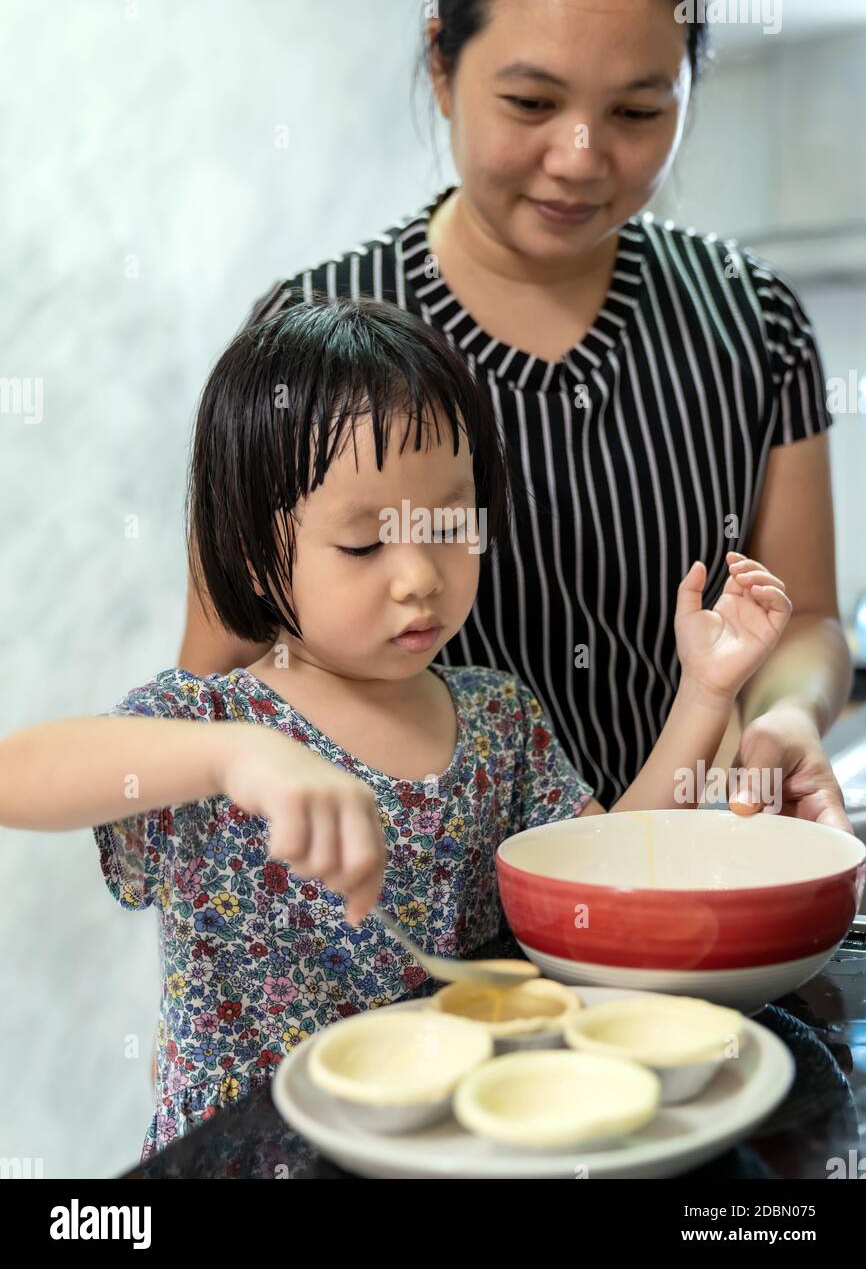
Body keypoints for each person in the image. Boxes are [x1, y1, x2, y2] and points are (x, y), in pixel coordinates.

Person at [0, 297, 793, 1160]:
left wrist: (707, 694)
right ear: (257, 553)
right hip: (247, 1158)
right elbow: (19, 773)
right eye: (364, 544)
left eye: (448, 526)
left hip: (449, 1147)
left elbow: (598, 883)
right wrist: (233, 757)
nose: (419, 576)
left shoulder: (497, 719)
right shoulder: (213, 720)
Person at [179, 0, 852, 834]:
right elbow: (218, 667)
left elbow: (811, 616)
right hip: (404, 933)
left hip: (681, 880)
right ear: (444, 65)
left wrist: (783, 711)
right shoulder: (318, 327)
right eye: (532, 101)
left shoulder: (754, 317)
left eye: (635, 113)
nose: (579, 157)